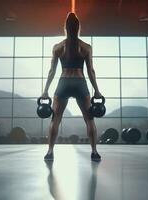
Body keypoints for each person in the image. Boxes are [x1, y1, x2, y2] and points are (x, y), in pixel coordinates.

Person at [42, 12, 102, 161]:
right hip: (80, 83)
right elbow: (90, 71)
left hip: (64, 83)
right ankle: (94, 152)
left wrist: (45, 91)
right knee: (89, 120)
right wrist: (97, 91)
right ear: (78, 28)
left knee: (55, 119)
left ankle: (50, 152)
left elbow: (52, 71)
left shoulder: (57, 47)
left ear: (65, 28)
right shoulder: (86, 47)